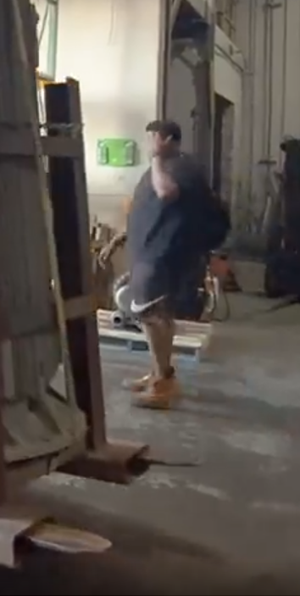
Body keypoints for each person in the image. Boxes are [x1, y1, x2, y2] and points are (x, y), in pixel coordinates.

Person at [116, 119, 223, 410]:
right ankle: (158, 373)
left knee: (152, 315)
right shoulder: (170, 166)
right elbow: (150, 207)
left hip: (164, 257)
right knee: (156, 314)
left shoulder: (179, 167)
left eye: (151, 138)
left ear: (162, 138)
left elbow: (166, 193)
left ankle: (163, 381)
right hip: (152, 253)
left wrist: (156, 161)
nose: (149, 144)